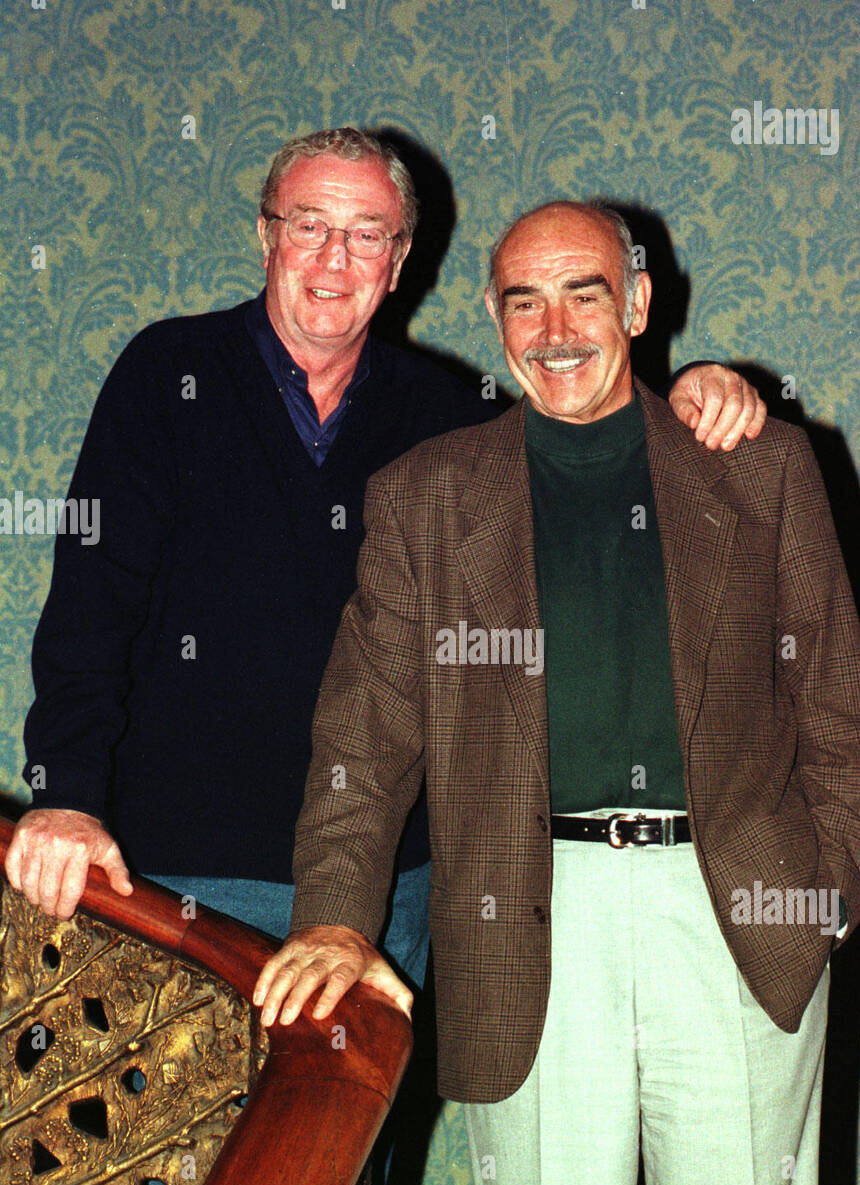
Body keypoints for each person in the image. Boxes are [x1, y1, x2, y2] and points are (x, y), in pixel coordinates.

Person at [254, 200, 860, 1185]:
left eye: (584, 293)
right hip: (531, 915)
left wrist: (826, 896)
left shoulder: (758, 465)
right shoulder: (427, 500)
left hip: (738, 910)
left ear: (638, 304)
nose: (554, 327)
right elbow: (364, 733)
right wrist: (335, 917)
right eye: (524, 300)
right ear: (496, 318)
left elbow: (837, 707)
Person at [6, 131, 764, 991]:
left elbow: (591, 448)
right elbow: (88, 607)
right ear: (266, 236)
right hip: (175, 866)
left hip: (388, 885)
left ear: (399, 260)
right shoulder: (166, 373)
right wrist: (65, 792)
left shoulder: (449, 417)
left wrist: (697, 390)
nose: (336, 256)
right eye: (309, 225)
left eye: (367, 233)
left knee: (350, 1129)